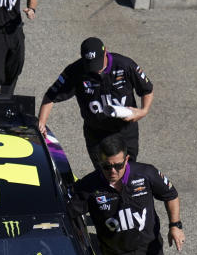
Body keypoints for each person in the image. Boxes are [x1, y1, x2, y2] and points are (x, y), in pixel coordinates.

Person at [37, 37, 154, 166]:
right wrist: (41, 123)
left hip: (124, 131)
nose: (96, 70)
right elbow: (51, 95)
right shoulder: (75, 71)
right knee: (104, 173)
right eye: (90, 65)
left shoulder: (125, 65)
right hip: (96, 133)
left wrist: (143, 111)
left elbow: (147, 89)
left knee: (127, 169)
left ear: (105, 53)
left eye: (98, 63)